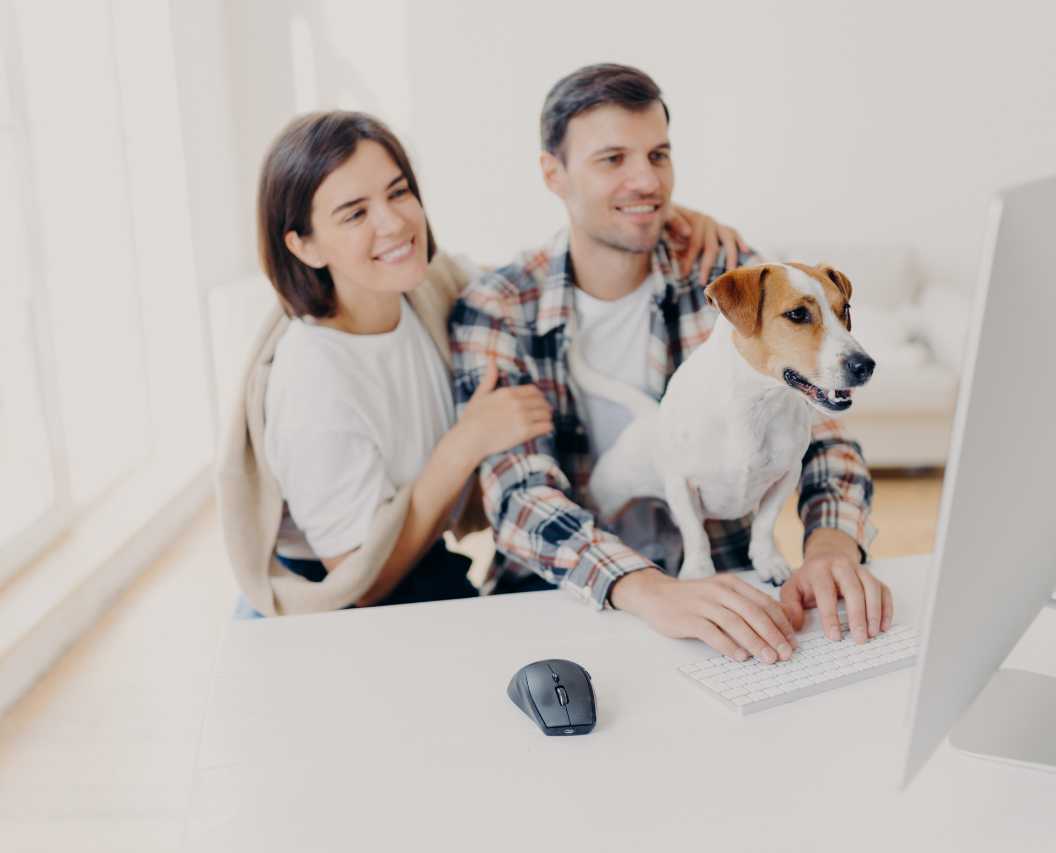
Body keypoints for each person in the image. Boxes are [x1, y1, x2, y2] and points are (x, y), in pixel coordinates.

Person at [215, 110, 743, 616]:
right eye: (354, 213)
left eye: (398, 192)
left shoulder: (428, 286)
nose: (394, 222)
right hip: (345, 593)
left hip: (424, 559)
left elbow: (532, 282)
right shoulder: (313, 379)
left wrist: (661, 219)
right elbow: (357, 580)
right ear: (304, 246)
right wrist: (467, 443)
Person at [451, 64, 890, 664]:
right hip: (560, 595)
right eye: (612, 159)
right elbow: (519, 497)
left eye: (658, 154)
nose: (646, 180)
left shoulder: (725, 264)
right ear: (553, 174)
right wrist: (646, 589)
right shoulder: (498, 308)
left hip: (728, 589)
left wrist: (831, 545)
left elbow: (820, 422)